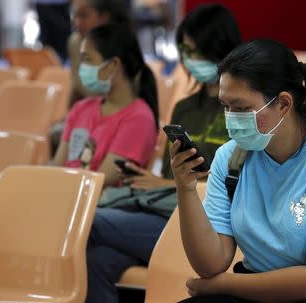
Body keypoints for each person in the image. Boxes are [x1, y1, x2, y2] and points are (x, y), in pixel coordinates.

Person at [169, 39, 306, 303]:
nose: (230, 118)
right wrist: (186, 190)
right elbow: (211, 264)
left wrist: (225, 284)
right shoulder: (230, 159)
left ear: (284, 104)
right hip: (263, 285)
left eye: (241, 108)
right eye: (225, 106)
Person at [85, 4, 241, 303]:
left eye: (196, 50)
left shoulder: (242, 113)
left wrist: (169, 185)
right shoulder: (185, 107)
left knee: (88, 221)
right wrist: (157, 180)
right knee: (97, 259)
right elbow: (175, 176)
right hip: (166, 208)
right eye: (184, 49)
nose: (188, 58)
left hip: (203, 220)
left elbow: (236, 181)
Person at [53, 23, 158, 187]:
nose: (82, 68)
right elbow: (57, 167)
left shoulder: (139, 118)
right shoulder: (81, 108)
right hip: (65, 194)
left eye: (87, 60)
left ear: (113, 66)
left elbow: (101, 180)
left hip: (100, 207)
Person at [68, 0, 132, 105]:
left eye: (84, 16)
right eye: (74, 15)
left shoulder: (120, 45)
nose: (77, 22)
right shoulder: (75, 43)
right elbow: (76, 92)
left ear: (103, 18)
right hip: (90, 113)